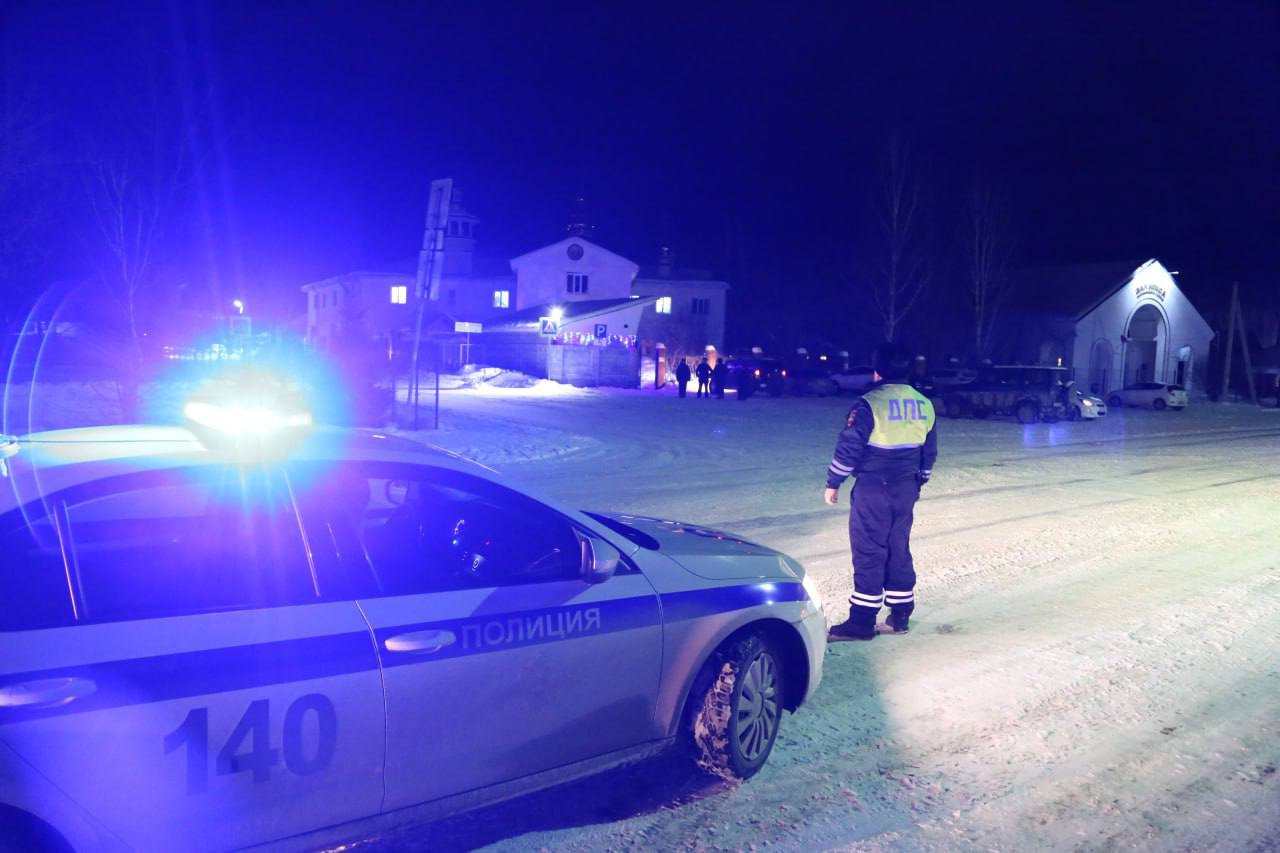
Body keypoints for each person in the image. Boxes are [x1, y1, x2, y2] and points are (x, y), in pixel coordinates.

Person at [823, 342, 937, 641]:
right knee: (898, 546)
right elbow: (929, 450)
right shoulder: (924, 403)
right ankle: (900, 616)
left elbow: (850, 446)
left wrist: (834, 481)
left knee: (869, 549)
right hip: (906, 486)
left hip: (874, 487)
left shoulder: (869, 403)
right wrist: (918, 481)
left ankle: (861, 622)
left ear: (878, 371)